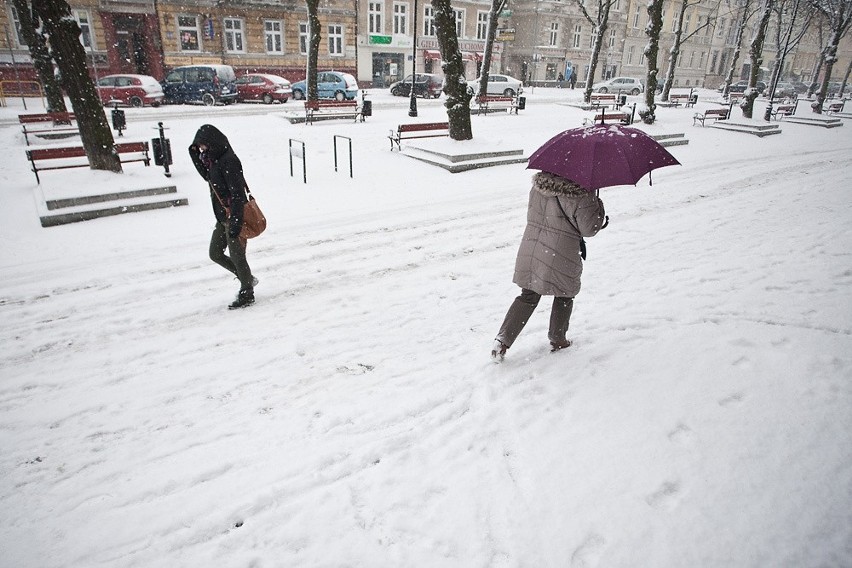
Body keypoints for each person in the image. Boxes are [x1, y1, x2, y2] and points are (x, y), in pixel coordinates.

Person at [491, 171, 608, 362]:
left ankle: (502, 341)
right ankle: (558, 338)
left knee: (528, 296)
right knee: (565, 293)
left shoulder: (540, 185)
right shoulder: (582, 193)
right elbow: (589, 229)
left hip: (533, 245)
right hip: (561, 251)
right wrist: (598, 206)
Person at [189, 124, 257, 310]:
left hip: (235, 214)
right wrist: (195, 153)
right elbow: (206, 176)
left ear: (212, 143)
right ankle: (248, 278)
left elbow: (237, 194)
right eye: (199, 147)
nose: (201, 149)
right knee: (215, 253)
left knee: (237, 257)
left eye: (203, 145)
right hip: (222, 216)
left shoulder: (229, 161)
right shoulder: (211, 161)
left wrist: (235, 221)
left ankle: (247, 292)